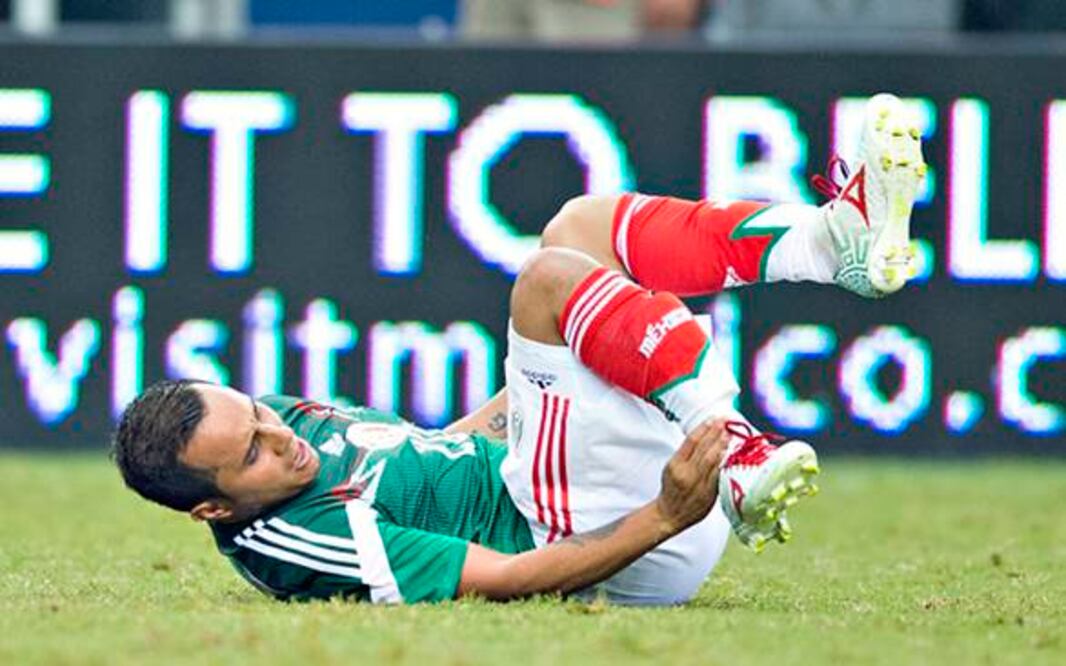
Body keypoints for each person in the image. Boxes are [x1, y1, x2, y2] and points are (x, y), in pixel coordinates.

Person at [112, 94, 924, 604]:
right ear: (214, 508)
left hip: (575, 481)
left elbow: (440, 449)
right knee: (543, 283)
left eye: (256, 412)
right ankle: (738, 452)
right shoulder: (293, 540)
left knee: (578, 229)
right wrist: (665, 516)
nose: (280, 434)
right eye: (252, 450)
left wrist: (539, 379)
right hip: (597, 538)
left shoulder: (287, 429)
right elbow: (503, 580)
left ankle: (825, 245)